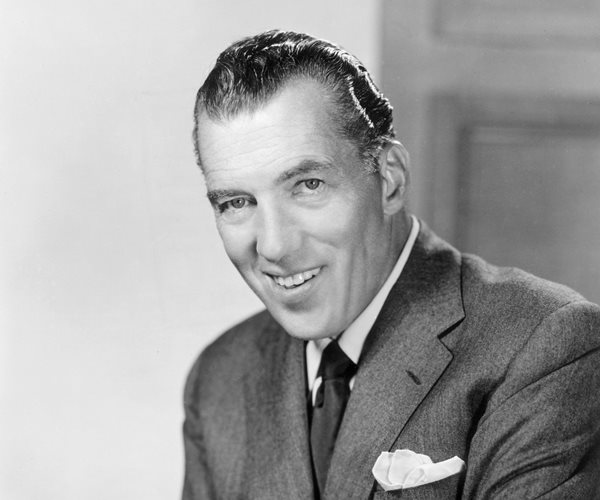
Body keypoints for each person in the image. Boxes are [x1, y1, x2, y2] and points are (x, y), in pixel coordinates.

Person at [182, 30, 600, 499]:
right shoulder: (218, 377)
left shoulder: (545, 346)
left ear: (390, 180)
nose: (274, 246)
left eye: (308, 185)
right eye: (236, 202)